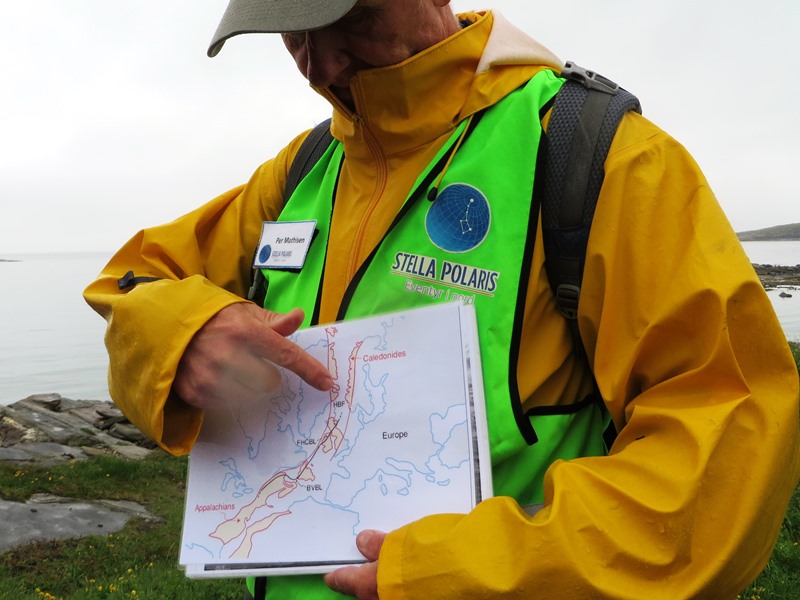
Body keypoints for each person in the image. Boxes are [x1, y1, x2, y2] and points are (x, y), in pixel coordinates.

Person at [84, 0, 800, 598]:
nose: (318, 63)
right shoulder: (303, 170)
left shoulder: (602, 155)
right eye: (290, 30)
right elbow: (135, 280)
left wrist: (458, 572)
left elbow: (724, 452)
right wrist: (187, 329)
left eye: (347, 18)